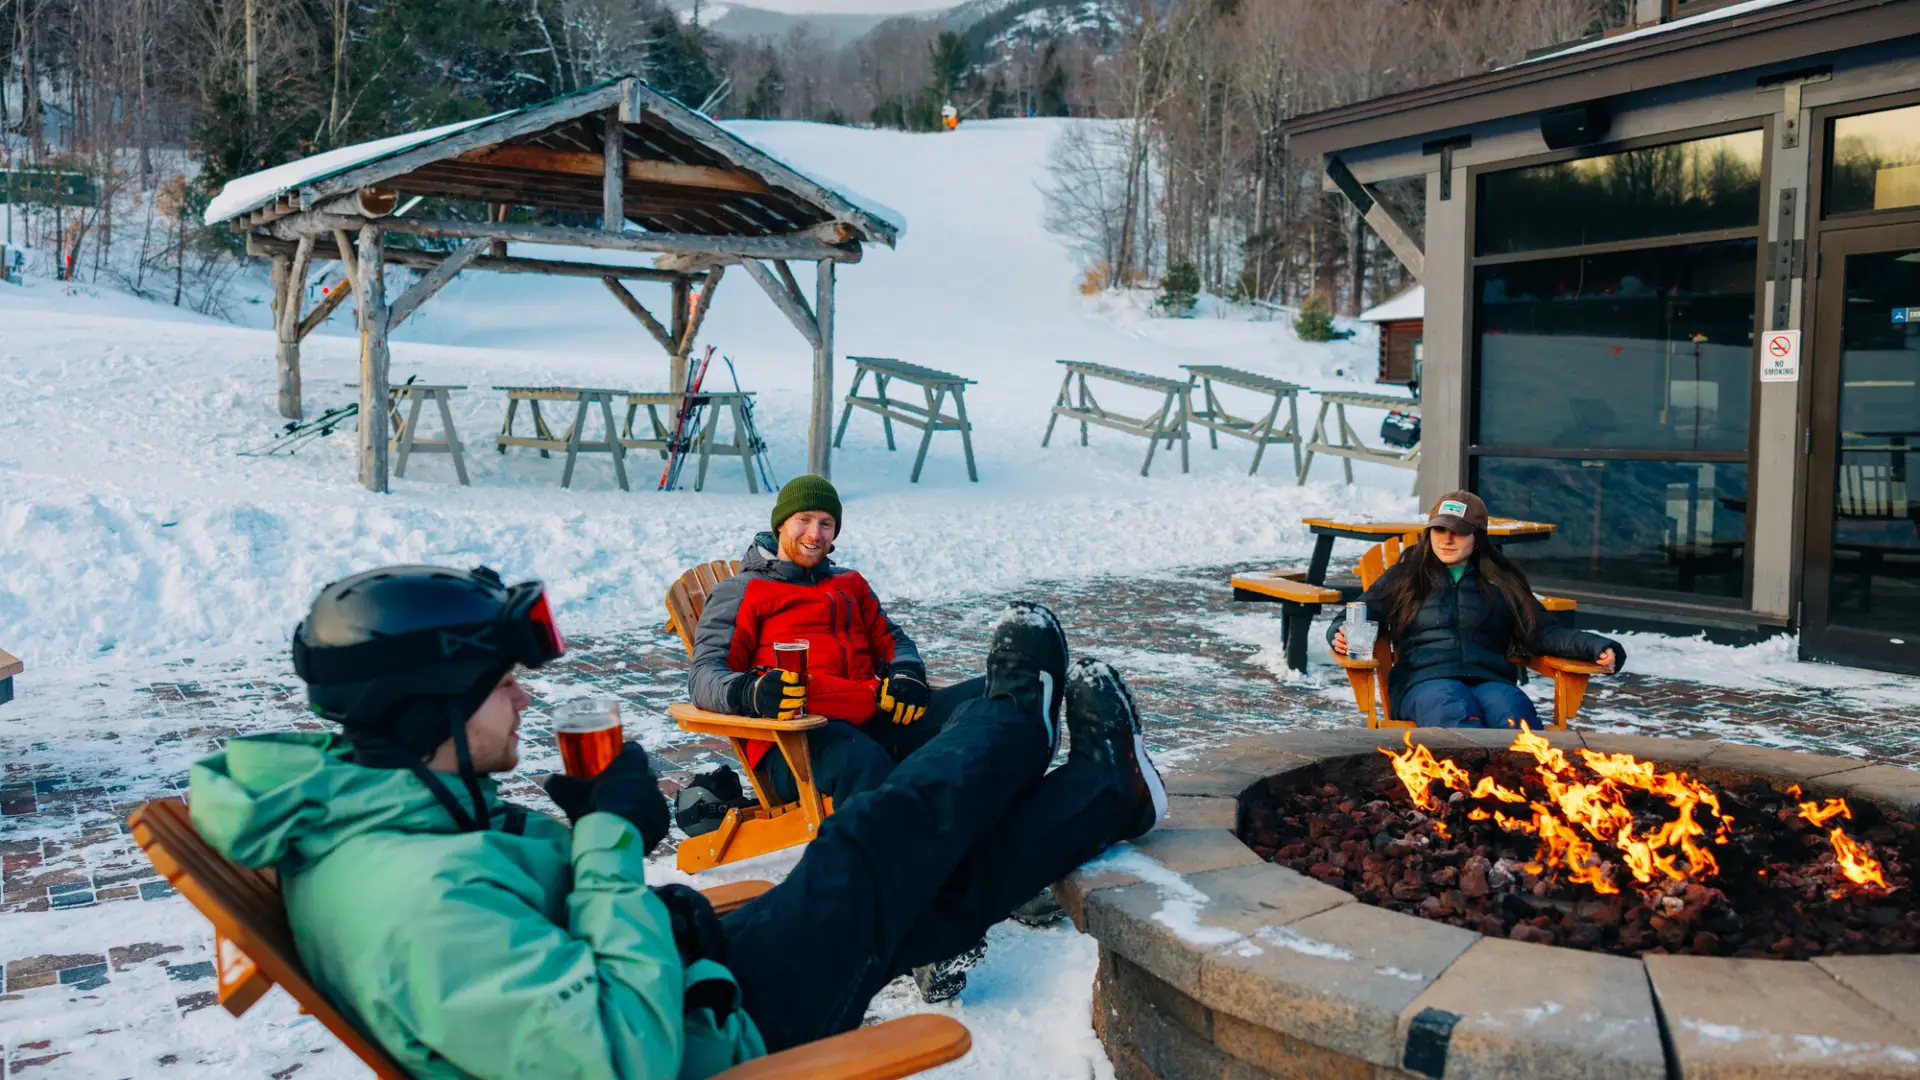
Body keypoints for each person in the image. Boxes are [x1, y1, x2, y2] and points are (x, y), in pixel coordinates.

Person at [188, 564, 1165, 1080]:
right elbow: (623, 1054)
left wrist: (569, 834)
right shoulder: (414, 908)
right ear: (429, 711)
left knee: (913, 900)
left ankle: (1103, 793)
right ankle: (1009, 715)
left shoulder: (360, 813)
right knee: (872, 838)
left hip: (679, 968)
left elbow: (501, 911)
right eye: (501, 685)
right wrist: (612, 841)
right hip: (714, 1030)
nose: (524, 703)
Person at [689, 474, 976, 807]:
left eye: (826, 524)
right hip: (798, 740)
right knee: (862, 760)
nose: (815, 534)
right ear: (781, 524)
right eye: (804, 520)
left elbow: (892, 639)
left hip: (873, 721)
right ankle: (896, 855)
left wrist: (907, 672)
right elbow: (704, 676)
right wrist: (752, 691)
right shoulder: (742, 591)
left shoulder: (849, 583)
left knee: (992, 696)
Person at [1328, 491, 1624, 729]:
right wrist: (1339, 634)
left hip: (1490, 680)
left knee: (1513, 714)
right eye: (1439, 529)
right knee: (1454, 711)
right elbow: (1357, 615)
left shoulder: (1501, 581)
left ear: (1478, 537)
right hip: (1424, 682)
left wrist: (1596, 646)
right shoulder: (1405, 577)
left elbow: (1542, 631)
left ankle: (1516, 797)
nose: (1446, 539)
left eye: (1458, 532)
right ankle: (1459, 798)